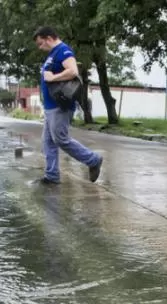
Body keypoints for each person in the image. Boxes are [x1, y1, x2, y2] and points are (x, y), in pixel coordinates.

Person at [33, 26, 103, 185]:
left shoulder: (63, 51)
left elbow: (73, 71)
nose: (40, 47)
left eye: (40, 43)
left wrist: (52, 78)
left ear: (49, 38)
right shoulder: (53, 54)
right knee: (48, 141)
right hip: (51, 106)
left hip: (60, 106)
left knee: (61, 139)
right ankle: (51, 175)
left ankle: (93, 160)